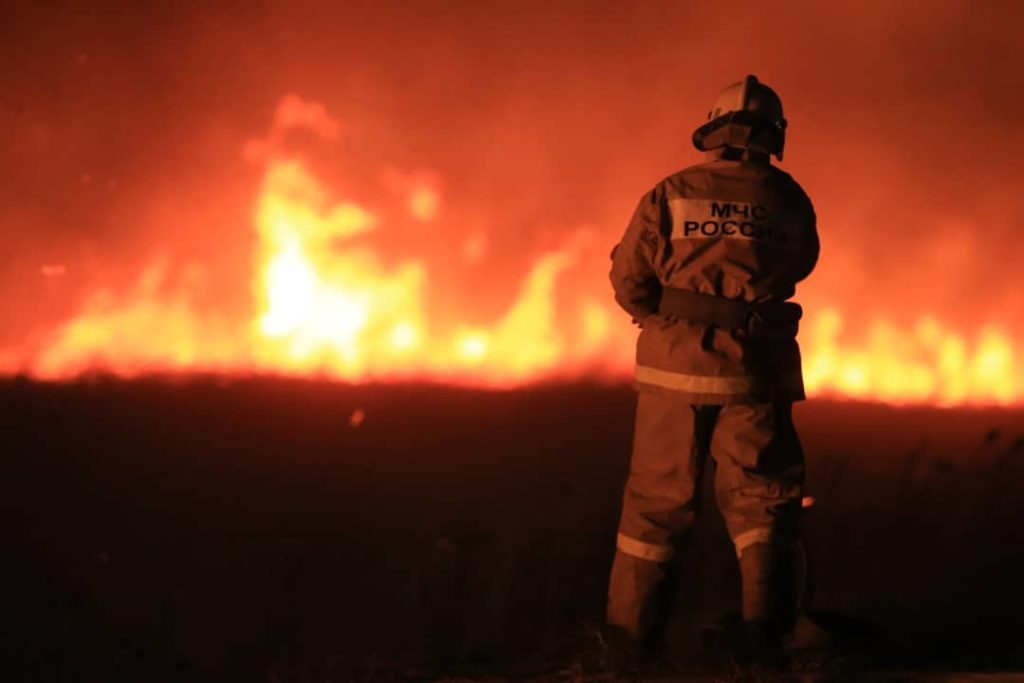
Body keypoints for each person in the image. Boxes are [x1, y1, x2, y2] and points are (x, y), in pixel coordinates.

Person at [605, 74, 820, 669]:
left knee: (655, 504)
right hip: (757, 374)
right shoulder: (788, 199)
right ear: (774, 136)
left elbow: (629, 278)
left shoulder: (673, 193)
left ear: (714, 129)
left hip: (675, 372)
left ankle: (629, 644)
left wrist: (660, 316)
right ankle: (761, 640)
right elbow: (800, 264)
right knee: (762, 502)